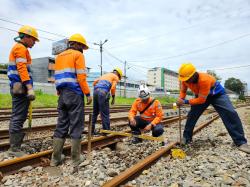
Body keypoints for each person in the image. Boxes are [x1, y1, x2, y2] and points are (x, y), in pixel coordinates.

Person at [177, 63, 250, 153]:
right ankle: (186, 138)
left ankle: (241, 142)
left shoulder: (204, 79)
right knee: (192, 115)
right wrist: (181, 98)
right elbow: (183, 91)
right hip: (201, 94)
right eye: (184, 79)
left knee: (230, 112)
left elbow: (201, 100)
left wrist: (185, 102)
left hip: (217, 95)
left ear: (193, 75)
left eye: (187, 79)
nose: (186, 81)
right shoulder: (184, 79)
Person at [50, 33, 92, 168]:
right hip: (74, 94)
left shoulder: (59, 56)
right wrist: (87, 93)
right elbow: (81, 77)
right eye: (82, 47)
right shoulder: (78, 55)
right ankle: (75, 158)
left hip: (62, 94)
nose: (82, 49)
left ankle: (55, 159)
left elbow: (57, 77)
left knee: (61, 124)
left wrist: (59, 91)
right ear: (78, 44)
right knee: (76, 125)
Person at [7, 25, 39, 157]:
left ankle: (15, 145)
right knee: (18, 115)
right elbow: (22, 69)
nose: (34, 43)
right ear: (26, 37)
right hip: (20, 85)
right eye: (33, 40)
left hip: (18, 85)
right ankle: (14, 149)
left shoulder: (21, 48)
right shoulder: (20, 48)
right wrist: (30, 88)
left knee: (19, 114)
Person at [91, 68, 123, 134]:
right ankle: (106, 131)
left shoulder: (104, 75)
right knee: (105, 113)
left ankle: (91, 130)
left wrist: (98, 88)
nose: (118, 79)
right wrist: (113, 97)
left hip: (95, 92)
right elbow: (113, 87)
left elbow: (94, 83)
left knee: (95, 112)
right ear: (118, 74)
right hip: (103, 92)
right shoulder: (115, 77)